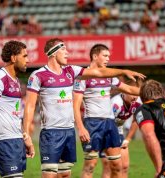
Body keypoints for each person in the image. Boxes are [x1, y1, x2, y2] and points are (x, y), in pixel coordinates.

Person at [23, 38, 145, 178]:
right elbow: (30, 105)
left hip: (69, 131)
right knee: (52, 175)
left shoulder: (71, 71)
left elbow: (99, 73)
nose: (67, 53)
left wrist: (123, 72)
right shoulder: (38, 75)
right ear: (53, 53)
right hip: (53, 132)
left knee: (65, 174)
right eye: (63, 50)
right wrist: (26, 133)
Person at [73, 44, 141, 178]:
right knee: (90, 166)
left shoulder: (109, 76)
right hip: (92, 123)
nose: (108, 59)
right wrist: (80, 127)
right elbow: (75, 105)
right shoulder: (82, 77)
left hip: (110, 124)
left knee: (117, 166)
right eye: (105, 56)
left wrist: (151, 93)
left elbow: (129, 89)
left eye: (108, 56)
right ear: (94, 56)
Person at [0, 40, 35, 178]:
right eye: (25, 56)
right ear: (14, 58)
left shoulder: (15, 81)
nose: (28, 60)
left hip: (16, 140)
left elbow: (14, 114)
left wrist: (25, 137)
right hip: (4, 141)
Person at [100, 79, 142, 178]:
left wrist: (128, 139)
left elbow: (136, 120)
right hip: (104, 132)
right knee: (108, 167)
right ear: (123, 91)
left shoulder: (138, 102)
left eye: (137, 93)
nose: (135, 96)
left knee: (124, 166)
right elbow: (104, 123)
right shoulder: (116, 103)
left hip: (118, 131)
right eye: (132, 93)